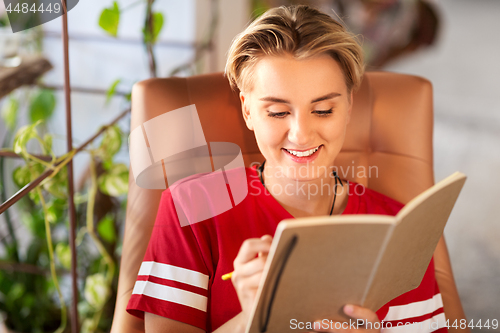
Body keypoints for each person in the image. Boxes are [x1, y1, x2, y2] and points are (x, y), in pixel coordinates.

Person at [126, 5, 464, 333]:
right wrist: (250, 322)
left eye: (323, 110)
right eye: (277, 112)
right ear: (247, 111)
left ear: (348, 107)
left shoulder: (398, 230)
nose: (301, 134)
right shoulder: (190, 207)